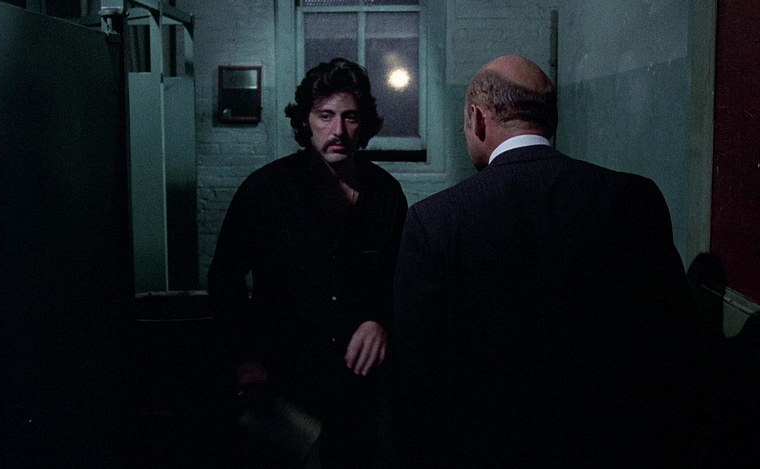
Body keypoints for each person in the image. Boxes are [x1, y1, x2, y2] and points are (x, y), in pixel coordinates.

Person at [390, 55, 705, 467]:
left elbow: (415, 377)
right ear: (551, 120)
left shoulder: (435, 221)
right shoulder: (634, 199)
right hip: (611, 447)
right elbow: (672, 346)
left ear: (478, 119)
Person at [208, 58, 407, 468]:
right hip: (283, 380)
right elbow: (224, 279)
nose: (338, 131)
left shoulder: (385, 194)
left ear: (364, 123)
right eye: (325, 116)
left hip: (359, 384)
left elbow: (402, 279)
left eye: (350, 117)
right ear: (306, 121)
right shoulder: (266, 191)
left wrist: (380, 320)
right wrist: (245, 359)